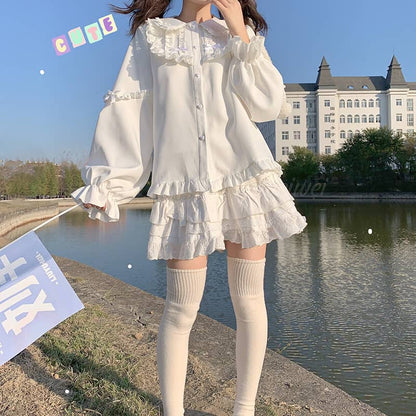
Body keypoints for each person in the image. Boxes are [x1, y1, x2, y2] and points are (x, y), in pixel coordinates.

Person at [71, 0, 308, 414]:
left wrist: (239, 31)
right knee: (180, 309)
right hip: (183, 188)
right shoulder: (152, 37)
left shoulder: (239, 35)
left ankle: (244, 409)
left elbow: (268, 105)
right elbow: (131, 111)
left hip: (244, 180)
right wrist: (109, 182)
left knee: (250, 301)